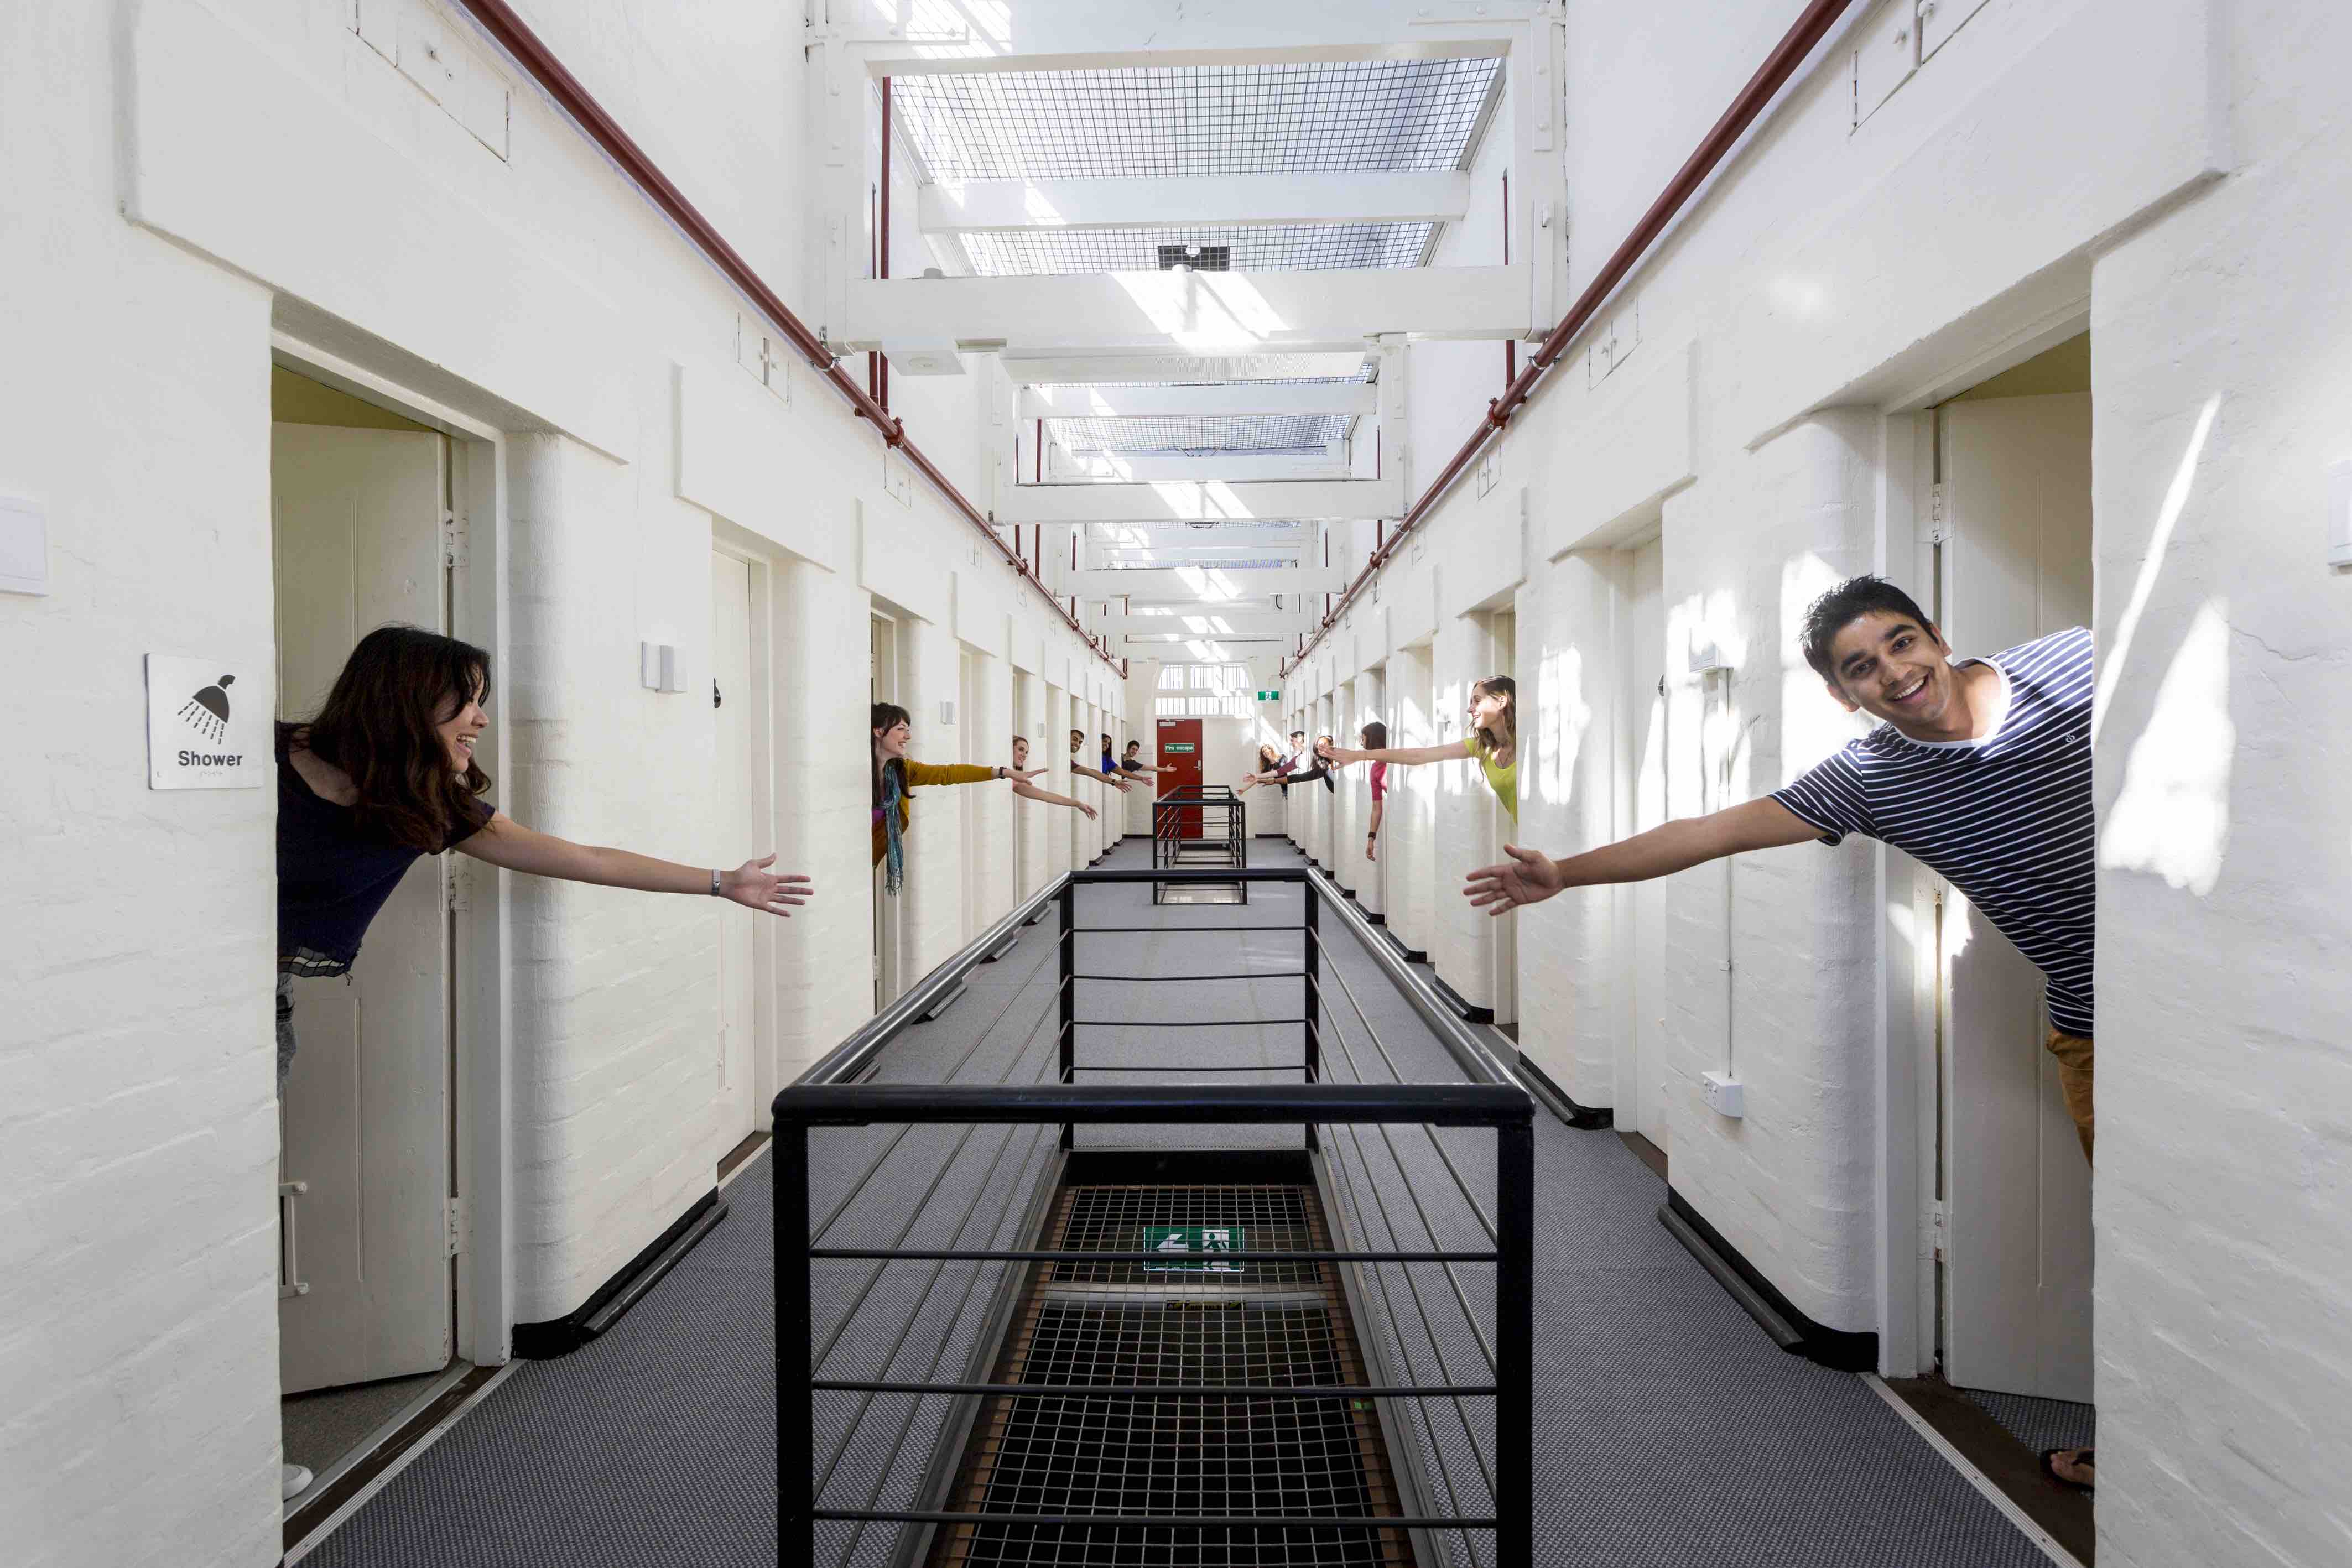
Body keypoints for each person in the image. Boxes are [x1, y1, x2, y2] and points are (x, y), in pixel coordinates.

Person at [1461, 575, 2097, 1490]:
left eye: (1902, 643)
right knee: (2152, 1245)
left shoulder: (2071, 665)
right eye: (1861, 668)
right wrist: (1564, 871)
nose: (1894, 672)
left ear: (1937, 636)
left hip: (2211, 990)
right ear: (1844, 696)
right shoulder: (1873, 775)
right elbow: (1710, 831)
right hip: (2092, 1030)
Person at [275, 626, 815, 1499]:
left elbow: (583, 858)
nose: (482, 718)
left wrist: (721, 882)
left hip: (265, 1008)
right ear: (406, 694)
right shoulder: (261, 757)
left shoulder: (429, 800)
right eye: (468, 697)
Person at [874, 704, 1041, 892]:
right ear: (878, 731)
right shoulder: (860, 774)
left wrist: (1004, 772)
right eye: (901, 729)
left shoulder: (902, 771)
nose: (908, 736)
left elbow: (949, 774)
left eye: (908, 730)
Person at [1319, 678, 1516, 821]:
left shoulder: (1526, 742)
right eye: (1471, 702)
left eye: (1477, 701)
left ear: (1501, 701)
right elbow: (1418, 755)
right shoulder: (1481, 747)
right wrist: (1359, 755)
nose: (1469, 708)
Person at [1009, 734, 1097, 819]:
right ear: (1010, 749)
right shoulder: (1004, 773)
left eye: (1026, 752)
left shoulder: (1014, 781)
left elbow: (1046, 796)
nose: (1025, 755)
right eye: (1021, 749)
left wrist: (1078, 804)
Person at [1068, 728, 1134, 794]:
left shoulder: (1070, 763)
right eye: (1074, 739)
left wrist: (1114, 782)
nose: (1077, 744)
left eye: (1080, 742)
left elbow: (1092, 772)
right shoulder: (1067, 760)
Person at [1113, 738, 1177, 782]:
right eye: (1133, 749)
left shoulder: (1133, 764)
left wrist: (1164, 769)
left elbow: (1150, 768)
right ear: (1128, 748)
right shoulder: (1118, 756)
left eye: (1136, 750)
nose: (1135, 751)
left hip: (1115, 786)